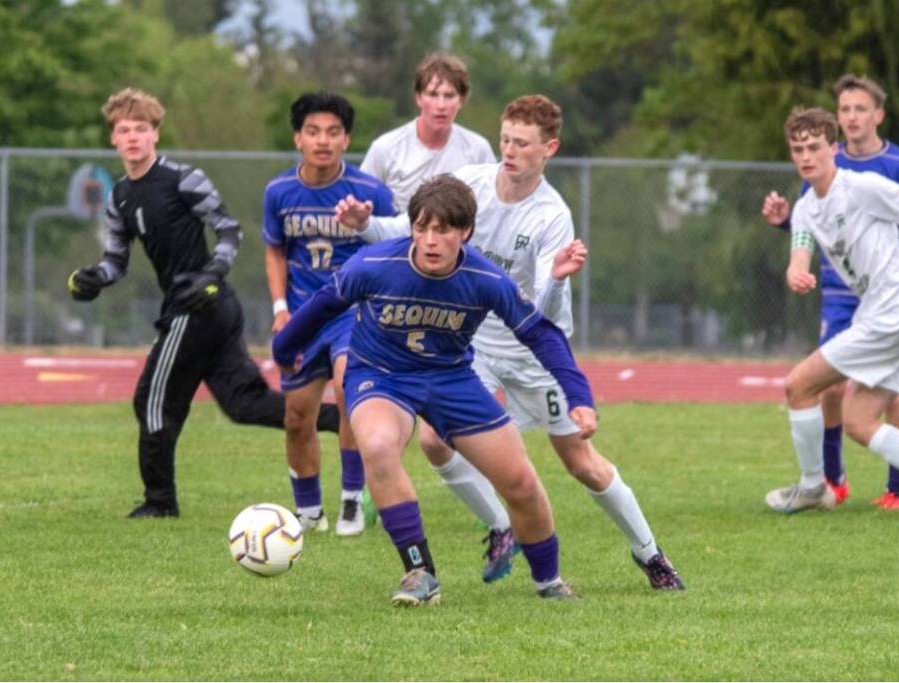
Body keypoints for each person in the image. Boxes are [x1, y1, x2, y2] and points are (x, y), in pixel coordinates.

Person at [336, 95, 684, 590]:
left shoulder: (551, 215)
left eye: (522, 143)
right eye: (505, 140)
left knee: (580, 462)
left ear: (550, 149)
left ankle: (649, 553)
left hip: (532, 350)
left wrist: (560, 278)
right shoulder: (473, 183)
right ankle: (501, 526)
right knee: (435, 441)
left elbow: (539, 310)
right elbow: (413, 228)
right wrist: (365, 225)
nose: (510, 151)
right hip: (474, 345)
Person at [274, 175, 590, 605]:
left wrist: (579, 396)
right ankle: (419, 572)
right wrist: (284, 348)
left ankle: (548, 581)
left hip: (451, 379)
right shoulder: (373, 265)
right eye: (421, 228)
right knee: (380, 446)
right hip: (380, 374)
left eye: (442, 230)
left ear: (465, 232)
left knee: (520, 482)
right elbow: (321, 307)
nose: (429, 240)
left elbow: (541, 335)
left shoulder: (485, 278)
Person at [66, 87, 338, 519]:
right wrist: (92, 280)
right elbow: (116, 260)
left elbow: (230, 230)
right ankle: (339, 421)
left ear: (156, 134)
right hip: (206, 311)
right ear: (113, 139)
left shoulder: (181, 178)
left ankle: (160, 502)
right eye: (124, 130)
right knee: (242, 404)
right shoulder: (119, 195)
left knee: (151, 400)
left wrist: (211, 274)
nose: (133, 137)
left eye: (142, 128)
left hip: (200, 307)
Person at [764, 106, 899, 521]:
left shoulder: (861, 186)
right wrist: (796, 273)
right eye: (798, 149)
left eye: (815, 147)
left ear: (834, 149)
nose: (806, 156)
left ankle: (814, 488)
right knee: (859, 419)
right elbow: (800, 252)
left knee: (799, 385)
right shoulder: (804, 208)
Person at [262, 92, 395, 536]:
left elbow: (394, 246)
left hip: (354, 314)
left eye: (333, 132)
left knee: (348, 392)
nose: (323, 140)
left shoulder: (371, 193)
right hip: (303, 317)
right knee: (297, 416)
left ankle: (353, 502)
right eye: (314, 131)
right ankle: (308, 511)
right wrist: (281, 309)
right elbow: (275, 249)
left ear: (347, 139)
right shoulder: (279, 192)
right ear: (298, 138)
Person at [361, 52, 496, 214]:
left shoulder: (478, 150)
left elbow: (492, 209)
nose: (441, 105)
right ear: (418, 97)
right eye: (432, 94)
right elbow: (362, 206)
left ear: (461, 100)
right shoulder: (385, 148)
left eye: (449, 95)